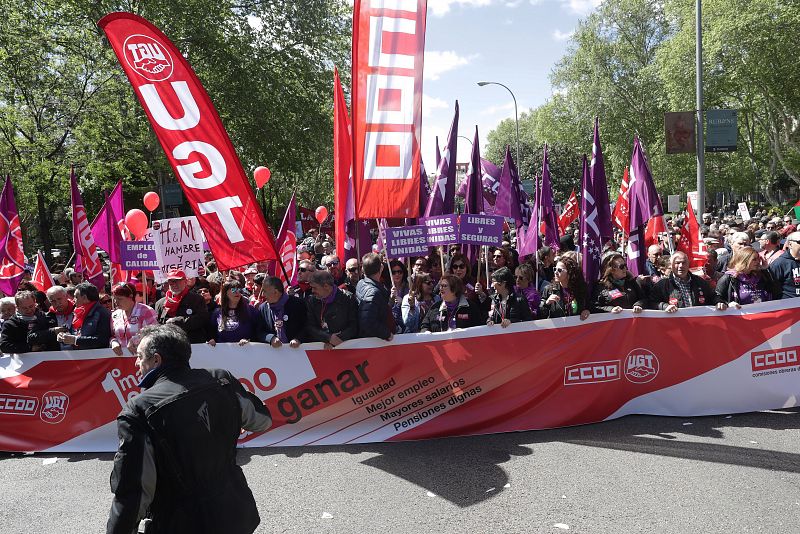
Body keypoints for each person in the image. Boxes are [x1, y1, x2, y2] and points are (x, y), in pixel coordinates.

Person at [106, 324, 272, 534]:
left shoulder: (138, 409)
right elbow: (262, 420)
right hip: (235, 512)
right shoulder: (221, 378)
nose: (136, 362)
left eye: (139, 356)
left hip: (181, 522)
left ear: (156, 360)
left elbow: (133, 492)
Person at [649, 251, 725, 312]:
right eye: (677, 263)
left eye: (684, 262)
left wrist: (719, 302)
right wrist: (664, 306)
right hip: (675, 327)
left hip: (699, 326)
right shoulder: (662, 285)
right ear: (671, 265)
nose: (681, 266)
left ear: (688, 264)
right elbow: (650, 303)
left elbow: (713, 296)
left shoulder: (700, 282)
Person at [305, 270, 359, 348]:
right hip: (323, 348)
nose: (312, 291)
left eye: (314, 288)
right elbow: (310, 326)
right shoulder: (312, 301)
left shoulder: (348, 298)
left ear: (326, 286)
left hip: (346, 347)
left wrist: (338, 339)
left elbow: (354, 325)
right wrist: (327, 338)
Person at [154, 269, 210, 344]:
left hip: (192, 344)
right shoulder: (160, 303)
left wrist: (177, 321)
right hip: (168, 344)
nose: (174, 284)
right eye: (171, 281)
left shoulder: (197, 299)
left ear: (185, 281)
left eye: (178, 280)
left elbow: (202, 319)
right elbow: (157, 324)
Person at [715, 246, 780, 307]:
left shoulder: (762, 275)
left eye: (758, 259)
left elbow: (776, 291)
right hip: (740, 316)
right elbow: (717, 297)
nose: (758, 262)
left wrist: (766, 269)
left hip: (762, 314)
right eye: (754, 259)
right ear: (744, 260)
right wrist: (727, 304)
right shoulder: (729, 278)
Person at [57, 282, 113, 350]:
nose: (73, 300)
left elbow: (102, 340)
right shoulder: (78, 312)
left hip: (96, 358)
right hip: (80, 356)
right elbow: (75, 333)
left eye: (76, 297)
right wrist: (64, 337)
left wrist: (76, 340)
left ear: (84, 298)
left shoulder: (101, 313)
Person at [110, 283, 158, 356]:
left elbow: (155, 334)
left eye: (119, 299)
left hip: (143, 357)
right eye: (114, 299)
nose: (116, 302)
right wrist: (113, 342)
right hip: (121, 361)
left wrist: (136, 339)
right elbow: (112, 335)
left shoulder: (146, 311)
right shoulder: (115, 315)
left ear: (131, 296)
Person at [256, 276, 305, 348]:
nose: (263, 295)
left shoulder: (298, 304)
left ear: (275, 292)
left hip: (297, 352)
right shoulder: (263, 308)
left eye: (265, 291)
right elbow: (259, 331)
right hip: (274, 354)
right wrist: (271, 338)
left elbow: (307, 326)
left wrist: (298, 339)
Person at [355, 253, 394, 341]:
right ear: (381, 268)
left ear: (363, 269)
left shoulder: (361, 282)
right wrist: (386, 333)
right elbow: (367, 322)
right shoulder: (373, 293)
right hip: (373, 341)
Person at [208, 280, 259, 346]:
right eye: (234, 289)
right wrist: (212, 340)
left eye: (239, 290)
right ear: (225, 293)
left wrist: (249, 340)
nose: (237, 292)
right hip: (223, 353)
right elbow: (211, 333)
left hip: (246, 352)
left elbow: (259, 332)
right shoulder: (217, 313)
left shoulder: (251, 311)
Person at [768, 231, 800, 299]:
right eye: (799, 242)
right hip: (791, 306)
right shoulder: (779, 264)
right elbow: (772, 289)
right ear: (790, 244)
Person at [44, 285, 75, 350]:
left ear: (66, 296)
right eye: (53, 301)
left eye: (59, 299)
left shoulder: (79, 311)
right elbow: (32, 336)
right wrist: (53, 331)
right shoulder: (47, 316)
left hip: (81, 355)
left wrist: (75, 338)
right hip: (57, 356)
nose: (57, 303)